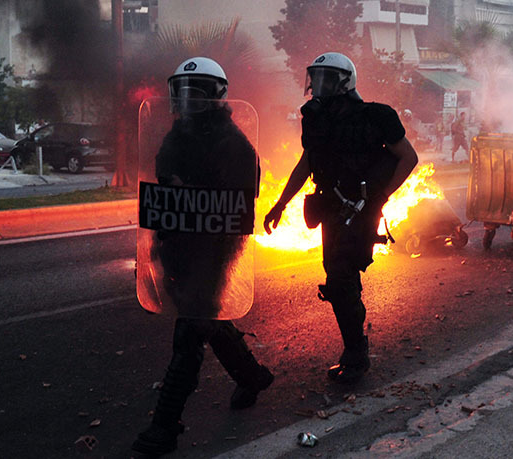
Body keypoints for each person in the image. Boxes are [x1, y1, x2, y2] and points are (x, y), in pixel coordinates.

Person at [132, 57, 273, 456]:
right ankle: (251, 375)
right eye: (183, 91)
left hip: (214, 248)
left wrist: (193, 192)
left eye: (197, 91)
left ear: (216, 96)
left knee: (190, 331)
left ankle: (164, 428)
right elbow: (162, 178)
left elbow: (240, 204)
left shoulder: (233, 142)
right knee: (206, 318)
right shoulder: (177, 136)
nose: (188, 99)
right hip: (178, 243)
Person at [264, 52, 418, 384]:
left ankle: (356, 355)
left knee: (340, 278)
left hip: (360, 210)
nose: (318, 85)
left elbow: (408, 157)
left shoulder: (376, 116)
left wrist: (381, 196)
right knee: (339, 278)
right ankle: (355, 346)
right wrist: (280, 204)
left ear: (345, 81)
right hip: (330, 209)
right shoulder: (316, 119)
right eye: (315, 77)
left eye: (327, 78)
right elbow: (307, 163)